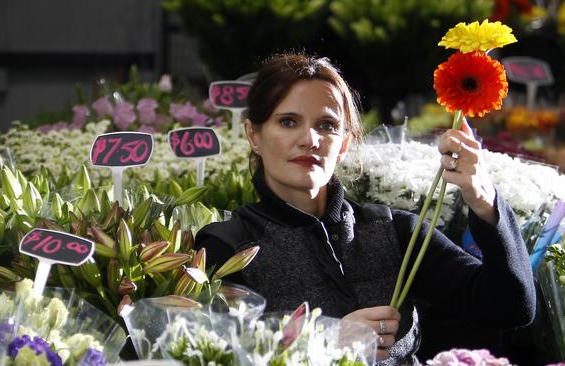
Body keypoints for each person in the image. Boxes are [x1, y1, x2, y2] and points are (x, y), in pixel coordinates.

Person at [195, 53, 535, 365]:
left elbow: (510, 306)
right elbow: (211, 352)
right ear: (254, 134)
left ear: (343, 144)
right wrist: (322, 340)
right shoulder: (227, 247)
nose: (309, 139)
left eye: (326, 125)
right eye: (288, 122)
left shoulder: (395, 230)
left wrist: (482, 197)